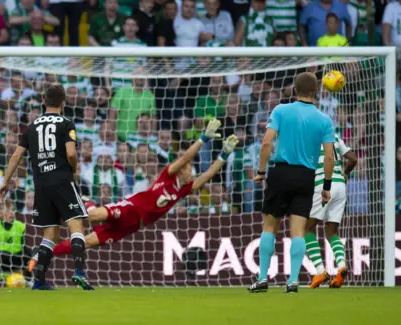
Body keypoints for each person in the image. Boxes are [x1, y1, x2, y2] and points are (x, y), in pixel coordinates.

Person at [33, 120, 237, 260]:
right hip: (130, 208)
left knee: (87, 242)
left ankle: (44, 253)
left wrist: (224, 155)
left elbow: (207, 176)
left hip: (132, 225)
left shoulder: (183, 191)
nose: (190, 173)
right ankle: (69, 203)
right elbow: (184, 158)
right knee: (91, 216)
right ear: (181, 171)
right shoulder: (168, 175)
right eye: (188, 170)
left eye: (191, 172)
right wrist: (203, 139)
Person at [248, 72, 335, 294]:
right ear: (316, 91)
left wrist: (260, 171)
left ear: (294, 90)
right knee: (298, 230)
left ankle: (262, 278)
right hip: (306, 177)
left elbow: (267, 142)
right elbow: (329, 157)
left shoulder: (281, 110)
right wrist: (326, 186)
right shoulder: (324, 120)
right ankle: (294, 280)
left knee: (270, 226)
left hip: (281, 173)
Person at [0, 85, 92, 291]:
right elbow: (71, 154)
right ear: (63, 103)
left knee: (50, 235)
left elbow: (16, 156)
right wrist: (73, 169)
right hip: (62, 180)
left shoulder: (32, 126)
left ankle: (39, 280)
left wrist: (5, 181)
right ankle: (79, 271)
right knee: (76, 227)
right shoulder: (67, 123)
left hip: (41, 185)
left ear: (43, 101)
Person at [306, 134, 357, 289]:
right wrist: (345, 173)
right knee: (332, 231)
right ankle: (341, 266)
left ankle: (321, 271)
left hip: (322, 184)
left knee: (306, 228)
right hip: (340, 185)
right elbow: (353, 159)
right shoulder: (334, 136)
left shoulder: (307, 137)